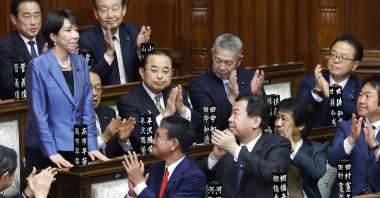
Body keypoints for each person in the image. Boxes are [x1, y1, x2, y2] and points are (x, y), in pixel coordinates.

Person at [24, 10, 108, 174]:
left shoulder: (81, 62)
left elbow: (87, 110)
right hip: (44, 147)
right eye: (68, 30)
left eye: (76, 29)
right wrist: (51, 151)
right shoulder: (38, 66)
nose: (76, 35)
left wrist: (91, 144)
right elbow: (38, 113)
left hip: (76, 144)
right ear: (54, 37)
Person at [200, 94, 291, 197]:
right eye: (231, 114)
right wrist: (214, 157)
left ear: (255, 122)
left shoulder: (278, 143)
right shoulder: (226, 144)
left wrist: (234, 149)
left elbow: (273, 172)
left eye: (236, 114)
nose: (230, 119)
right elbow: (200, 180)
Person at [117, 50, 202, 151]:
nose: (160, 76)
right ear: (142, 72)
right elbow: (139, 139)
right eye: (154, 71)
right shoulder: (128, 101)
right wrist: (166, 114)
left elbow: (198, 127)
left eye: (165, 71)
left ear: (171, 74)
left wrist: (183, 110)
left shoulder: (176, 92)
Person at [189, 33, 265, 131]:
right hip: (219, 140)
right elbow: (210, 124)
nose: (222, 67)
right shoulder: (199, 85)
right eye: (218, 61)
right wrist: (231, 97)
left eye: (228, 63)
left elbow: (264, 118)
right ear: (212, 53)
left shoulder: (251, 78)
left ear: (239, 60)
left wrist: (256, 95)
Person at [123, 116, 206, 198]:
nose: (153, 141)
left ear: (174, 144)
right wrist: (133, 194)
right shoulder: (155, 168)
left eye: (157, 137)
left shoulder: (194, 177)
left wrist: (139, 184)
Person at [297, 33, 363, 127]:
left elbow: (361, 114)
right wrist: (316, 91)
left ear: (355, 65)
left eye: (343, 57)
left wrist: (333, 95)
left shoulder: (361, 87)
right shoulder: (310, 80)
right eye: (333, 54)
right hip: (314, 138)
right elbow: (297, 113)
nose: (336, 60)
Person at [328, 76, 380, 196]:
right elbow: (332, 160)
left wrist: (375, 147)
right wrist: (351, 139)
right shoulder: (346, 127)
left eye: (367, 96)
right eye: (360, 95)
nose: (361, 100)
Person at [79, 0, 151, 85]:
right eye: (104, 10)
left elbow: (152, 66)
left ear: (124, 9)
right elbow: (88, 76)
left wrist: (142, 48)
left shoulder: (135, 31)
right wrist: (109, 54)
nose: (110, 15)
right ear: (96, 12)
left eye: (115, 9)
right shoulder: (85, 40)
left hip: (132, 91)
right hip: (104, 94)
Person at [275, 97, 328, 198]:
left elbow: (317, 172)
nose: (278, 124)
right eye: (277, 118)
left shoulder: (318, 149)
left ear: (301, 125)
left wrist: (292, 146)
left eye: (283, 119)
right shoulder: (269, 147)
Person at [0, 0, 45, 100]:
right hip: (20, 108)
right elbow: (11, 85)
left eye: (37, 15)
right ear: (14, 19)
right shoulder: (4, 46)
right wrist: (42, 60)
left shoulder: (49, 41)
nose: (33, 22)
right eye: (26, 16)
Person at [90, 71, 136, 157]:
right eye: (88, 88)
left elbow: (116, 154)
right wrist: (104, 138)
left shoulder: (108, 112)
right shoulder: (68, 117)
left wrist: (123, 141)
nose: (95, 94)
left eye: (98, 88)